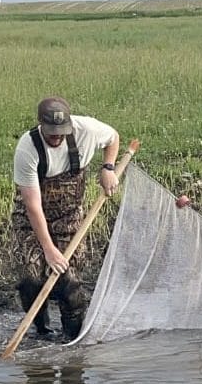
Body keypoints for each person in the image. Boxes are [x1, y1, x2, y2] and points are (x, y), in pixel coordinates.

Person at [12, 96, 121, 341]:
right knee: (32, 279)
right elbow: (32, 206)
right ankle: (41, 331)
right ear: (40, 125)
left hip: (70, 220)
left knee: (69, 283)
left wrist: (108, 168)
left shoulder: (87, 129)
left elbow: (113, 138)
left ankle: (71, 341)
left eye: (61, 133)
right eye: (51, 134)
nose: (56, 138)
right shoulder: (27, 149)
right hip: (30, 221)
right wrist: (48, 249)